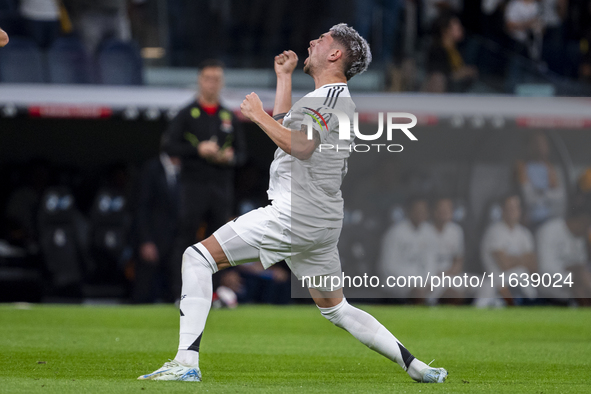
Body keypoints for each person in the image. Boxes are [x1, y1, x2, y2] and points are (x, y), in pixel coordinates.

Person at [138, 23, 447, 384]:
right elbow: (290, 131)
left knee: (197, 257)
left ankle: (185, 362)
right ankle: (417, 367)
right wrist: (283, 78)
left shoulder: (331, 100)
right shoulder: (324, 99)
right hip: (320, 221)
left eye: (322, 40)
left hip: (295, 213)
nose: (312, 42)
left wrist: (256, 116)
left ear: (334, 55)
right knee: (337, 309)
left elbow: (300, 146)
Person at [162, 59, 246, 300]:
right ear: (200, 81)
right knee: (186, 240)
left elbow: (242, 154)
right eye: (208, 79)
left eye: (217, 79)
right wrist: (198, 150)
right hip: (193, 187)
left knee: (219, 242)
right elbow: (169, 145)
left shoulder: (227, 115)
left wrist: (230, 157)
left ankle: (213, 293)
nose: (212, 84)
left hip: (220, 188)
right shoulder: (187, 114)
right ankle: (181, 293)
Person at [132, 150, 181, 303]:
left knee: (175, 291)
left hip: (177, 240)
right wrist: (146, 240)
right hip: (153, 238)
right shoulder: (151, 169)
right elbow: (141, 207)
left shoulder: (187, 169)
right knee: (144, 291)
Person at [477, 194, 537, 306]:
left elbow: (533, 265)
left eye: (516, 207)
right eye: (509, 208)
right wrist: (522, 260)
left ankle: (529, 304)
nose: (513, 211)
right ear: (502, 210)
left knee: (523, 274)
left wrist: (512, 260)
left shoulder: (525, 233)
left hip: (519, 282)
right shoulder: (495, 231)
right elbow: (504, 264)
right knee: (521, 272)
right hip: (496, 281)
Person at [378, 196, 438, 299]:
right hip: (398, 281)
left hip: (424, 281)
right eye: (417, 210)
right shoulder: (394, 233)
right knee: (418, 294)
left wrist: (429, 281)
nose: (421, 213)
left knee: (452, 293)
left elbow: (431, 261)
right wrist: (412, 282)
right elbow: (388, 267)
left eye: (423, 210)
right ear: (409, 210)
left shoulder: (429, 231)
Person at [536, 205, 591, 304]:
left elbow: (581, 267)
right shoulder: (550, 230)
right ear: (582, 221)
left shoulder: (581, 238)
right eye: (588, 226)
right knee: (581, 277)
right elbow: (544, 270)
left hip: (572, 293)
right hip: (549, 292)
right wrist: (571, 276)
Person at [515, 132, 566, 228]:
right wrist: (547, 194)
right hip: (528, 220)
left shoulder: (550, 168)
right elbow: (528, 197)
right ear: (529, 146)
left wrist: (540, 193)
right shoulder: (522, 166)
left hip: (549, 220)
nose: (540, 147)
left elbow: (558, 197)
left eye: (543, 143)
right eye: (536, 143)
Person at [423, 12, 478, 92]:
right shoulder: (436, 51)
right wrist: (463, 72)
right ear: (445, 30)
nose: (461, 29)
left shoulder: (457, 50)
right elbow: (439, 75)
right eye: (457, 27)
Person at [430, 197, 465, 302]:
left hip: (452, 275)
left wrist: (450, 272)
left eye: (448, 209)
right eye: (442, 209)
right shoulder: (425, 231)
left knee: (486, 285)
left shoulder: (456, 230)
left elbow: (459, 260)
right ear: (435, 211)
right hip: (431, 278)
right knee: (454, 295)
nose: (445, 212)